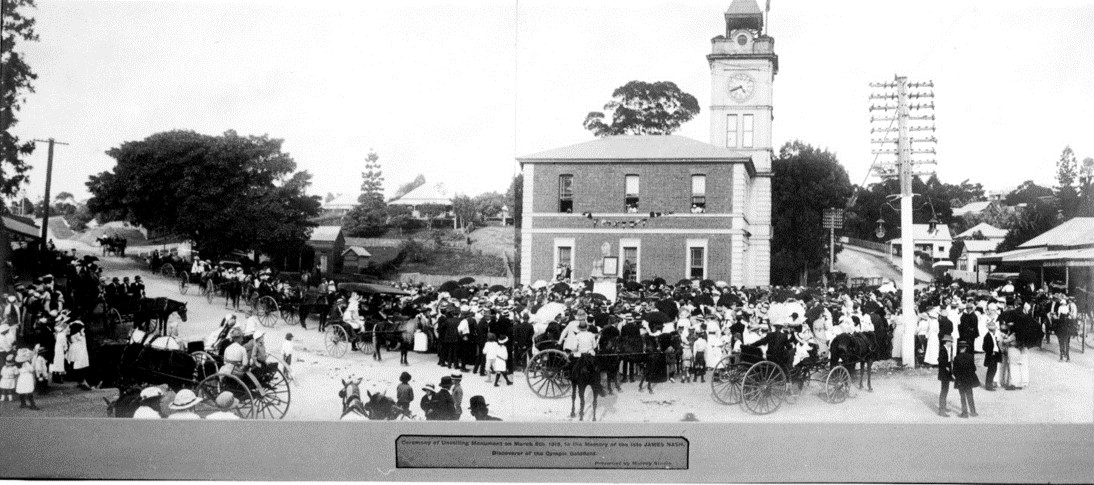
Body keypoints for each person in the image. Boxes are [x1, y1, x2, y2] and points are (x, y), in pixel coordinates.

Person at [952, 340, 979, 418]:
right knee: (970, 395)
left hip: (960, 380)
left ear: (959, 348)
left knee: (962, 397)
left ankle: (964, 413)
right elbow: (974, 368)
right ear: (965, 348)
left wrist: (957, 376)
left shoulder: (956, 358)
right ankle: (973, 412)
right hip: (969, 379)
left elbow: (954, 371)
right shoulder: (970, 357)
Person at [937, 335, 954, 417]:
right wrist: (946, 367)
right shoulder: (942, 350)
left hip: (946, 372)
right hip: (944, 373)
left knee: (945, 390)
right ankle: (941, 410)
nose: (951, 343)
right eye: (950, 342)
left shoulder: (946, 349)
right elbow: (940, 360)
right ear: (946, 342)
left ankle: (943, 407)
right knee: (944, 391)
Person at [982, 321, 1002, 391]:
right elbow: (984, 347)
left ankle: (989, 383)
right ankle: (988, 385)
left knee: (993, 369)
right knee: (991, 370)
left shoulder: (993, 336)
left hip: (995, 355)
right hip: (991, 355)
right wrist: (991, 352)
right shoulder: (987, 336)